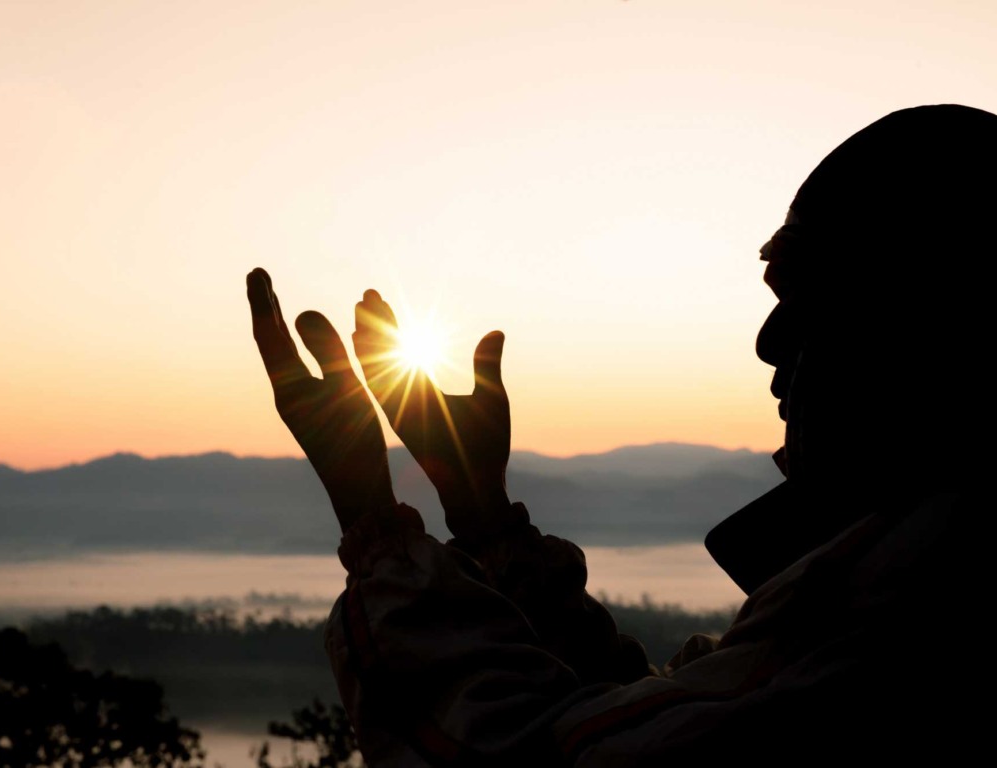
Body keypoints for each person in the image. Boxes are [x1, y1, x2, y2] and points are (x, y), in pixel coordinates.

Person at [247, 104, 994, 766]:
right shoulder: (891, 571)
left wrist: (375, 529)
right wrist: (480, 512)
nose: (769, 341)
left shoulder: (907, 601)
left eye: (812, 292)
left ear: (936, 311)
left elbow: (539, 752)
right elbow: (641, 714)